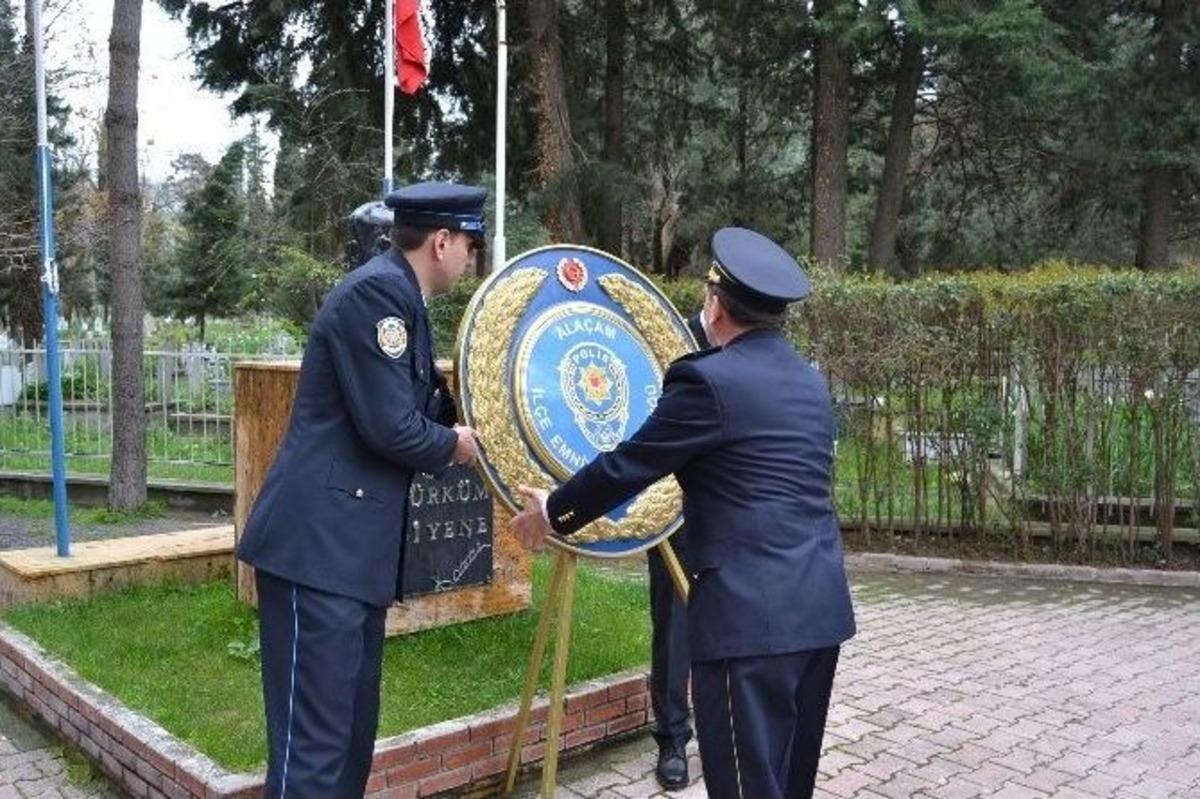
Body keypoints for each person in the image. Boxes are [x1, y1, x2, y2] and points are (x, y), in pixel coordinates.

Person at [511, 226, 857, 799]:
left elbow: (628, 465)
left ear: (715, 306)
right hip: (819, 612)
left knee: (745, 786)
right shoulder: (810, 383)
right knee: (788, 780)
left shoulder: (706, 380)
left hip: (748, 622)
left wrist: (552, 511)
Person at [237, 182, 485, 798]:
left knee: (349, 742)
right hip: (318, 554)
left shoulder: (401, 297)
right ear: (441, 241)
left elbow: (417, 405)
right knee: (312, 755)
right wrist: (454, 445)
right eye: (470, 245)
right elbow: (390, 426)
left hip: (349, 558)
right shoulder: (378, 295)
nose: (473, 259)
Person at [645, 311, 706, 791]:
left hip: (733, 516)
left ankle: (727, 726)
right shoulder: (664, 338)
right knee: (673, 630)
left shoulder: (754, 340)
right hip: (673, 509)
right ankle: (672, 740)